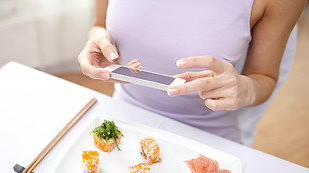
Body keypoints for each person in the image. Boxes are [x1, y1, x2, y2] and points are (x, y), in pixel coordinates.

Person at [78, 0, 306, 144]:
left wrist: (245, 89)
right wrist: (97, 40)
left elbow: (264, 77)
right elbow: (99, 24)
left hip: (207, 135)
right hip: (125, 116)